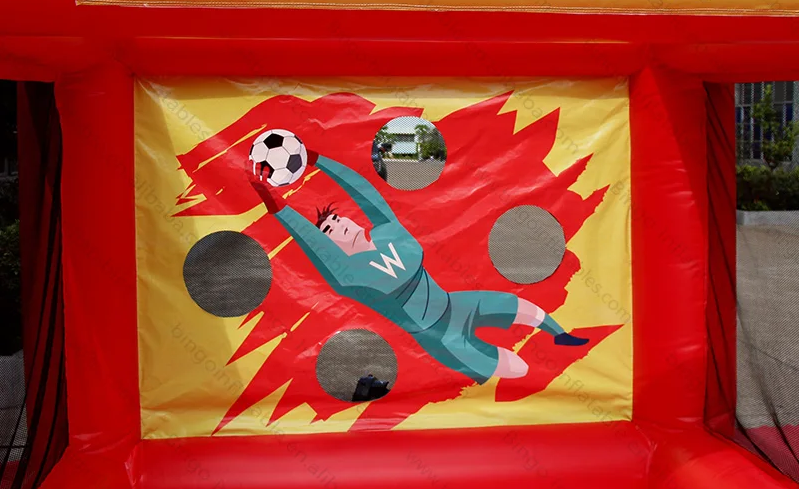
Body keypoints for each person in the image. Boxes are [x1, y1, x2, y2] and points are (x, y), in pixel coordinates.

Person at [248, 150, 587, 385]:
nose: (338, 224)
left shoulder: (388, 233)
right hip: (440, 337)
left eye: (336, 218)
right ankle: (552, 372)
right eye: (329, 229)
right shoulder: (348, 275)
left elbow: (366, 193)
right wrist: (277, 205)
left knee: (521, 307)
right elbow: (311, 242)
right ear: (331, 243)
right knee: (518, 369)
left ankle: (561, 336)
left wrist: (320, 159)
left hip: (457, 303)